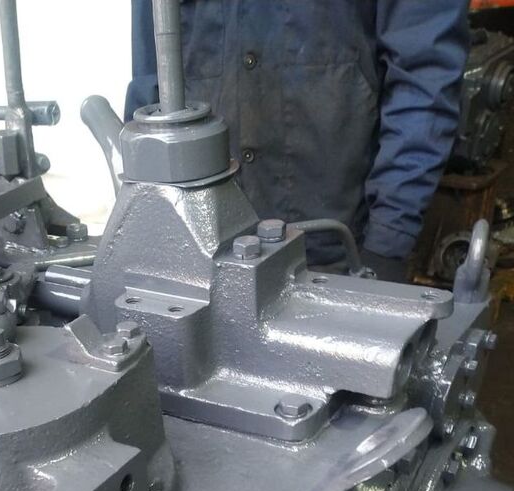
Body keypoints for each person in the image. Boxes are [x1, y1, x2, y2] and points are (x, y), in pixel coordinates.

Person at [127, 1, 471, 281]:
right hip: (199, 248)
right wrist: (147, 215)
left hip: (336, 252)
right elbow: (152, 79)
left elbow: (424, 77)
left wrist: (388, 241)